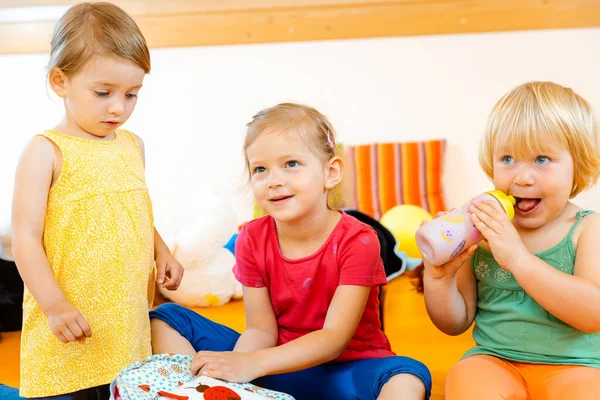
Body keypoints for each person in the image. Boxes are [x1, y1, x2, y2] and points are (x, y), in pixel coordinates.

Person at [150, 103, 431, 400]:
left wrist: (252, 364)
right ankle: (198, 393)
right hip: (275, 368)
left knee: (408, 377)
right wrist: (233, 375)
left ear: (331, 172)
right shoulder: (251, 238)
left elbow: (334, 339)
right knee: (167, 316)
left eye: (291, 164)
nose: (274, 180)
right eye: (260, 169)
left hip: (346, 371)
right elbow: (260, 330)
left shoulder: (359, 240)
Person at [10, 3, 183, 398]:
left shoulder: (132, 145)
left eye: (132, 94)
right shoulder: (45, 151)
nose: (118, 107)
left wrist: (163, 251)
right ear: (60, 81)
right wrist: (54, 306)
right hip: (69, 317)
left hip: (122, 318)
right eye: (103, 92)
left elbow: (133, 210)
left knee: (123, 386)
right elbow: (24, 238)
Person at [421, 81, 600, 400]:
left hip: (577, 368)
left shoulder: (588, 229)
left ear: (578, 166)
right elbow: (455, 322)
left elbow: (592, 313)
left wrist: (518, 259)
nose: (522, 177)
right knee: (466, 376)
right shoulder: (480, 229)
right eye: (507, 159)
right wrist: (439, 279)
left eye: (541, 159)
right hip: (497, 361)